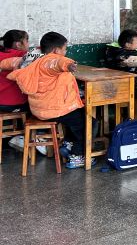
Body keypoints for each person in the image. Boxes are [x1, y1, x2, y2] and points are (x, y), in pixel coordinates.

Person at [3, 32, 98, 169]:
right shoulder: (50, 61)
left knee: (77, 116)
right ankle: (77, 156)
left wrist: (1, 65)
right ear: (56, 50)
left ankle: (68, 144)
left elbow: (12, 62)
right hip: (54, 109)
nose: (65, 52)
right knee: (90, 123)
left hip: (39, 109)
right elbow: (56, 63)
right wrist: (69, 65)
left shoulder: (32, 59)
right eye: (65, 49)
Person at [105, 28, 137, 120]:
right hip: (127, 87)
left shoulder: (115, 51)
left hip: (122, 85)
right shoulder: (124, 56)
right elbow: (134, 61)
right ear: (127, 45)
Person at [0, 30, 29, 113]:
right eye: (27, 41)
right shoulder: (23, 55)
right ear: (18, 44)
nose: (28, 44)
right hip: (14, 104)